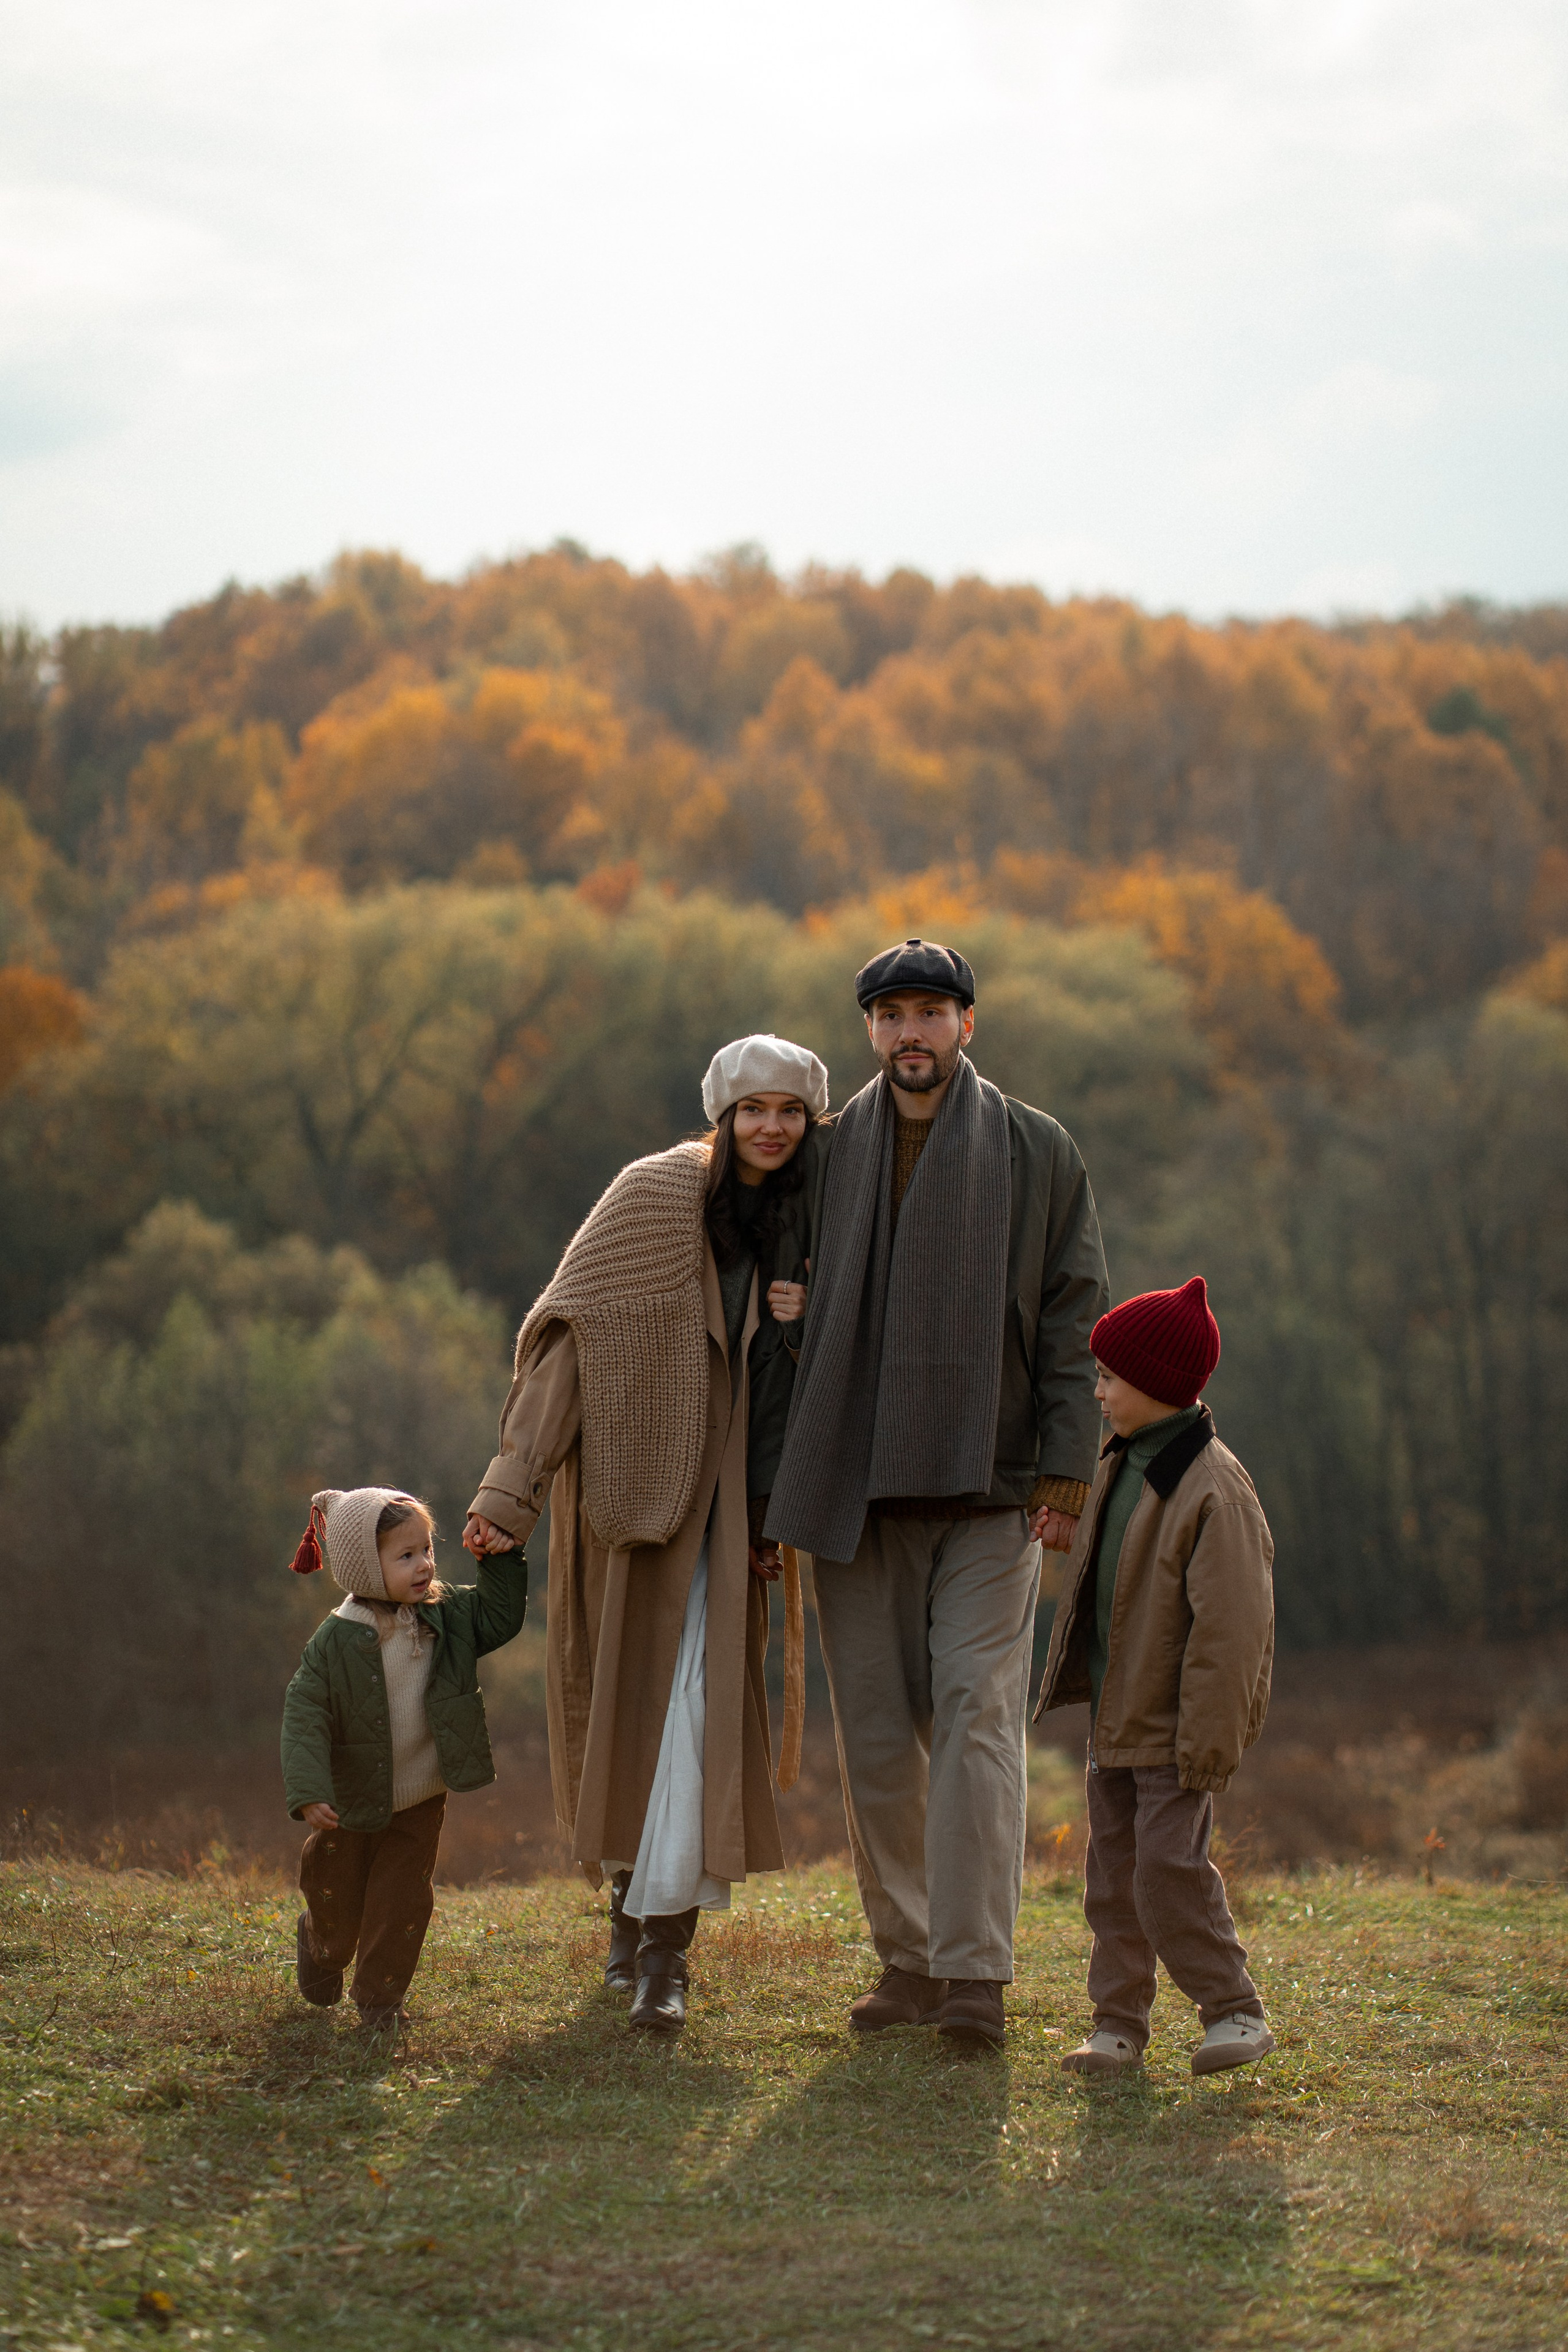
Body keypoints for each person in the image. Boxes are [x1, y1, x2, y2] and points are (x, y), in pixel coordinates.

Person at [766, 940, 1109, 2048]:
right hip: (852, 1492)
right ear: (869, 1032)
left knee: (976, 1722)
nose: (911, 1032)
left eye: (932, 1011)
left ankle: (973, 1974)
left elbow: (1073, 1322)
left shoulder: (1036, 1150)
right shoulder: (823, 1155)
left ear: (970, 1023)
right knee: (874, 1736)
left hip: (994, 1488)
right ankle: (906, 1959)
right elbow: (763, 1288)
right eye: (892, 1015)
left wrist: (1065, 1474)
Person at [464, 1033, 828, 2034]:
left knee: (697, 1718)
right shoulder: (649, 1197)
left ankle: (665, 1951)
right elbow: (568, 1349)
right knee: (628, 1714)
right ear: (721, 1113)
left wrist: (802, 1314)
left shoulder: (818, 1214)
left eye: (789, 1110)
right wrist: (509, 1493)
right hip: (635, 1502)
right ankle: (628, 1912)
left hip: (735, 1517)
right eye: (752, 1109)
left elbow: (830, 1371)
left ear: (811, 1120)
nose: (770, 1127)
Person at [1035, 1276, 1276, 2077]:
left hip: (1174, 1736)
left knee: (1170, 1872)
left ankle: (1234, 2011)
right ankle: (1118, 2026)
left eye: (1110, 1376)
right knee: (1113, 1881)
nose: (1097, 1390)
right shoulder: (1119, 1463)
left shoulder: (1214, 1487)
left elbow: (1233, 1632)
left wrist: (1207, 1743)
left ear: (1159, 1384)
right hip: (1116, 1724)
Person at [281, 1485, 528, 2035]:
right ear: (366, 1567)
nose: (425, 1566)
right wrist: (308, 1787)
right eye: (406, 1556)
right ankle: (320, 1943)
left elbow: (501, 1617)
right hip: (350, 1800)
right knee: (338, 1900)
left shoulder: (445, 1614)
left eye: (427, 1550)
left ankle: (379, 2004)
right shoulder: (336, 1640)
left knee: (401, 1903)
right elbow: (305, 1713)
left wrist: (503, 1559)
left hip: (420, 1797)